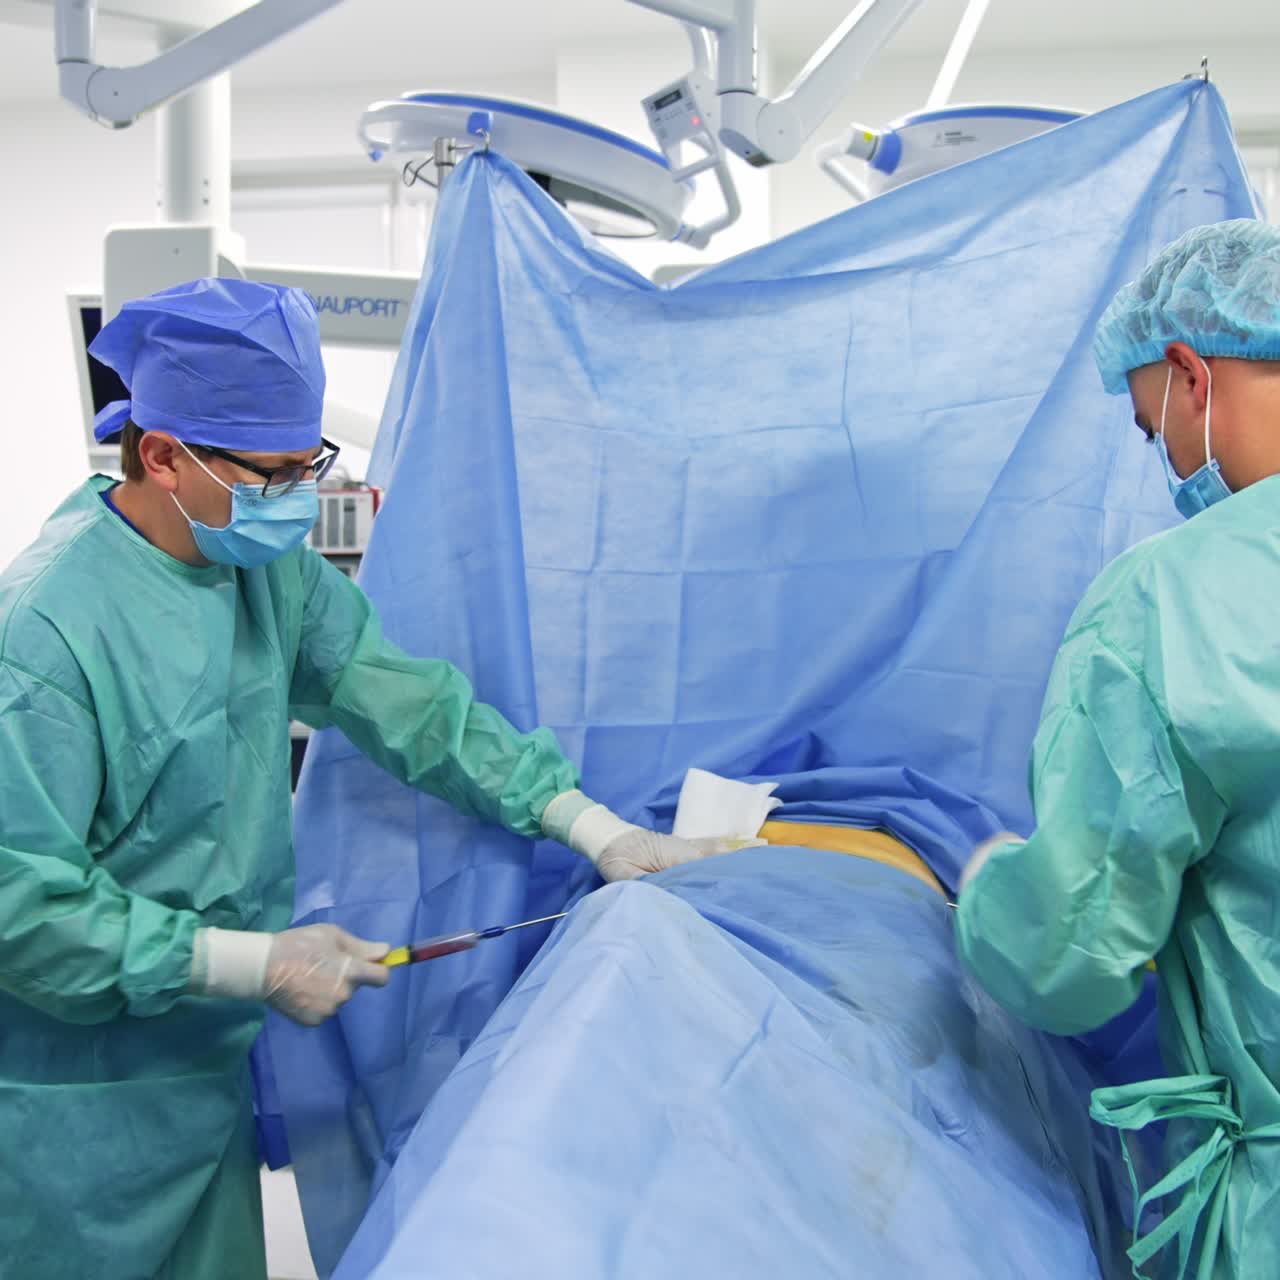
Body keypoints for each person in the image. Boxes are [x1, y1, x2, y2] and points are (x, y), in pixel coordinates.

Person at [0, 277, 742, 1280]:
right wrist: (247, 961)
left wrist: (587, 823)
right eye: (270, 474)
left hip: (197, 1074)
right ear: (163, 455)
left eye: (309, 466)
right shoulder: (44, 637)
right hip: (74, 1111)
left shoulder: (265, 570)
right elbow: (24, 911)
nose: (296, 499)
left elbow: (407, 702)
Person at [955, 219, 1280, 1280]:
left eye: (1154, 430)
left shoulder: (1177, 596)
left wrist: (987, 896)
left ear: (1190, 375)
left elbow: (1070, 945)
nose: (1167, 462)